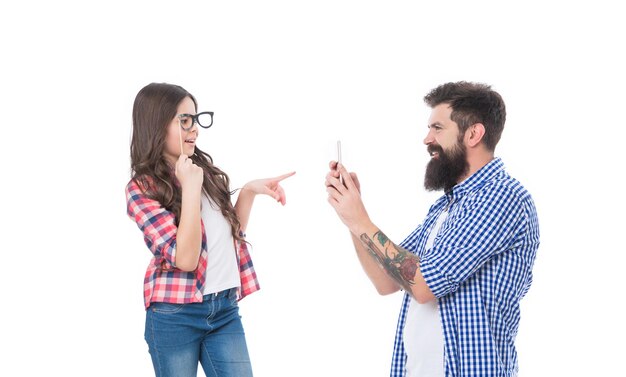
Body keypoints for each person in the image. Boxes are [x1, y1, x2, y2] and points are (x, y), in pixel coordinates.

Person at [325, 81, 539, 376]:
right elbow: (387, 280)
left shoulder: (502, 197)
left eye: (437, 128)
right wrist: (351, 217)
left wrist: (361, 220)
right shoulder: (445, 208)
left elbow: (422, 285)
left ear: (474, 133)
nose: (427, 139)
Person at [126, 82, 294, 377]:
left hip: (224, 309)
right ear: (156, 124)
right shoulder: (142, 189)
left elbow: (226, 238)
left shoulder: (200, 169)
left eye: (196, 118)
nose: (195, 128)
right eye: (185, 120)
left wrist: (249, 192)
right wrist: (190, 191)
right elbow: (187, 259)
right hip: (174, 314)